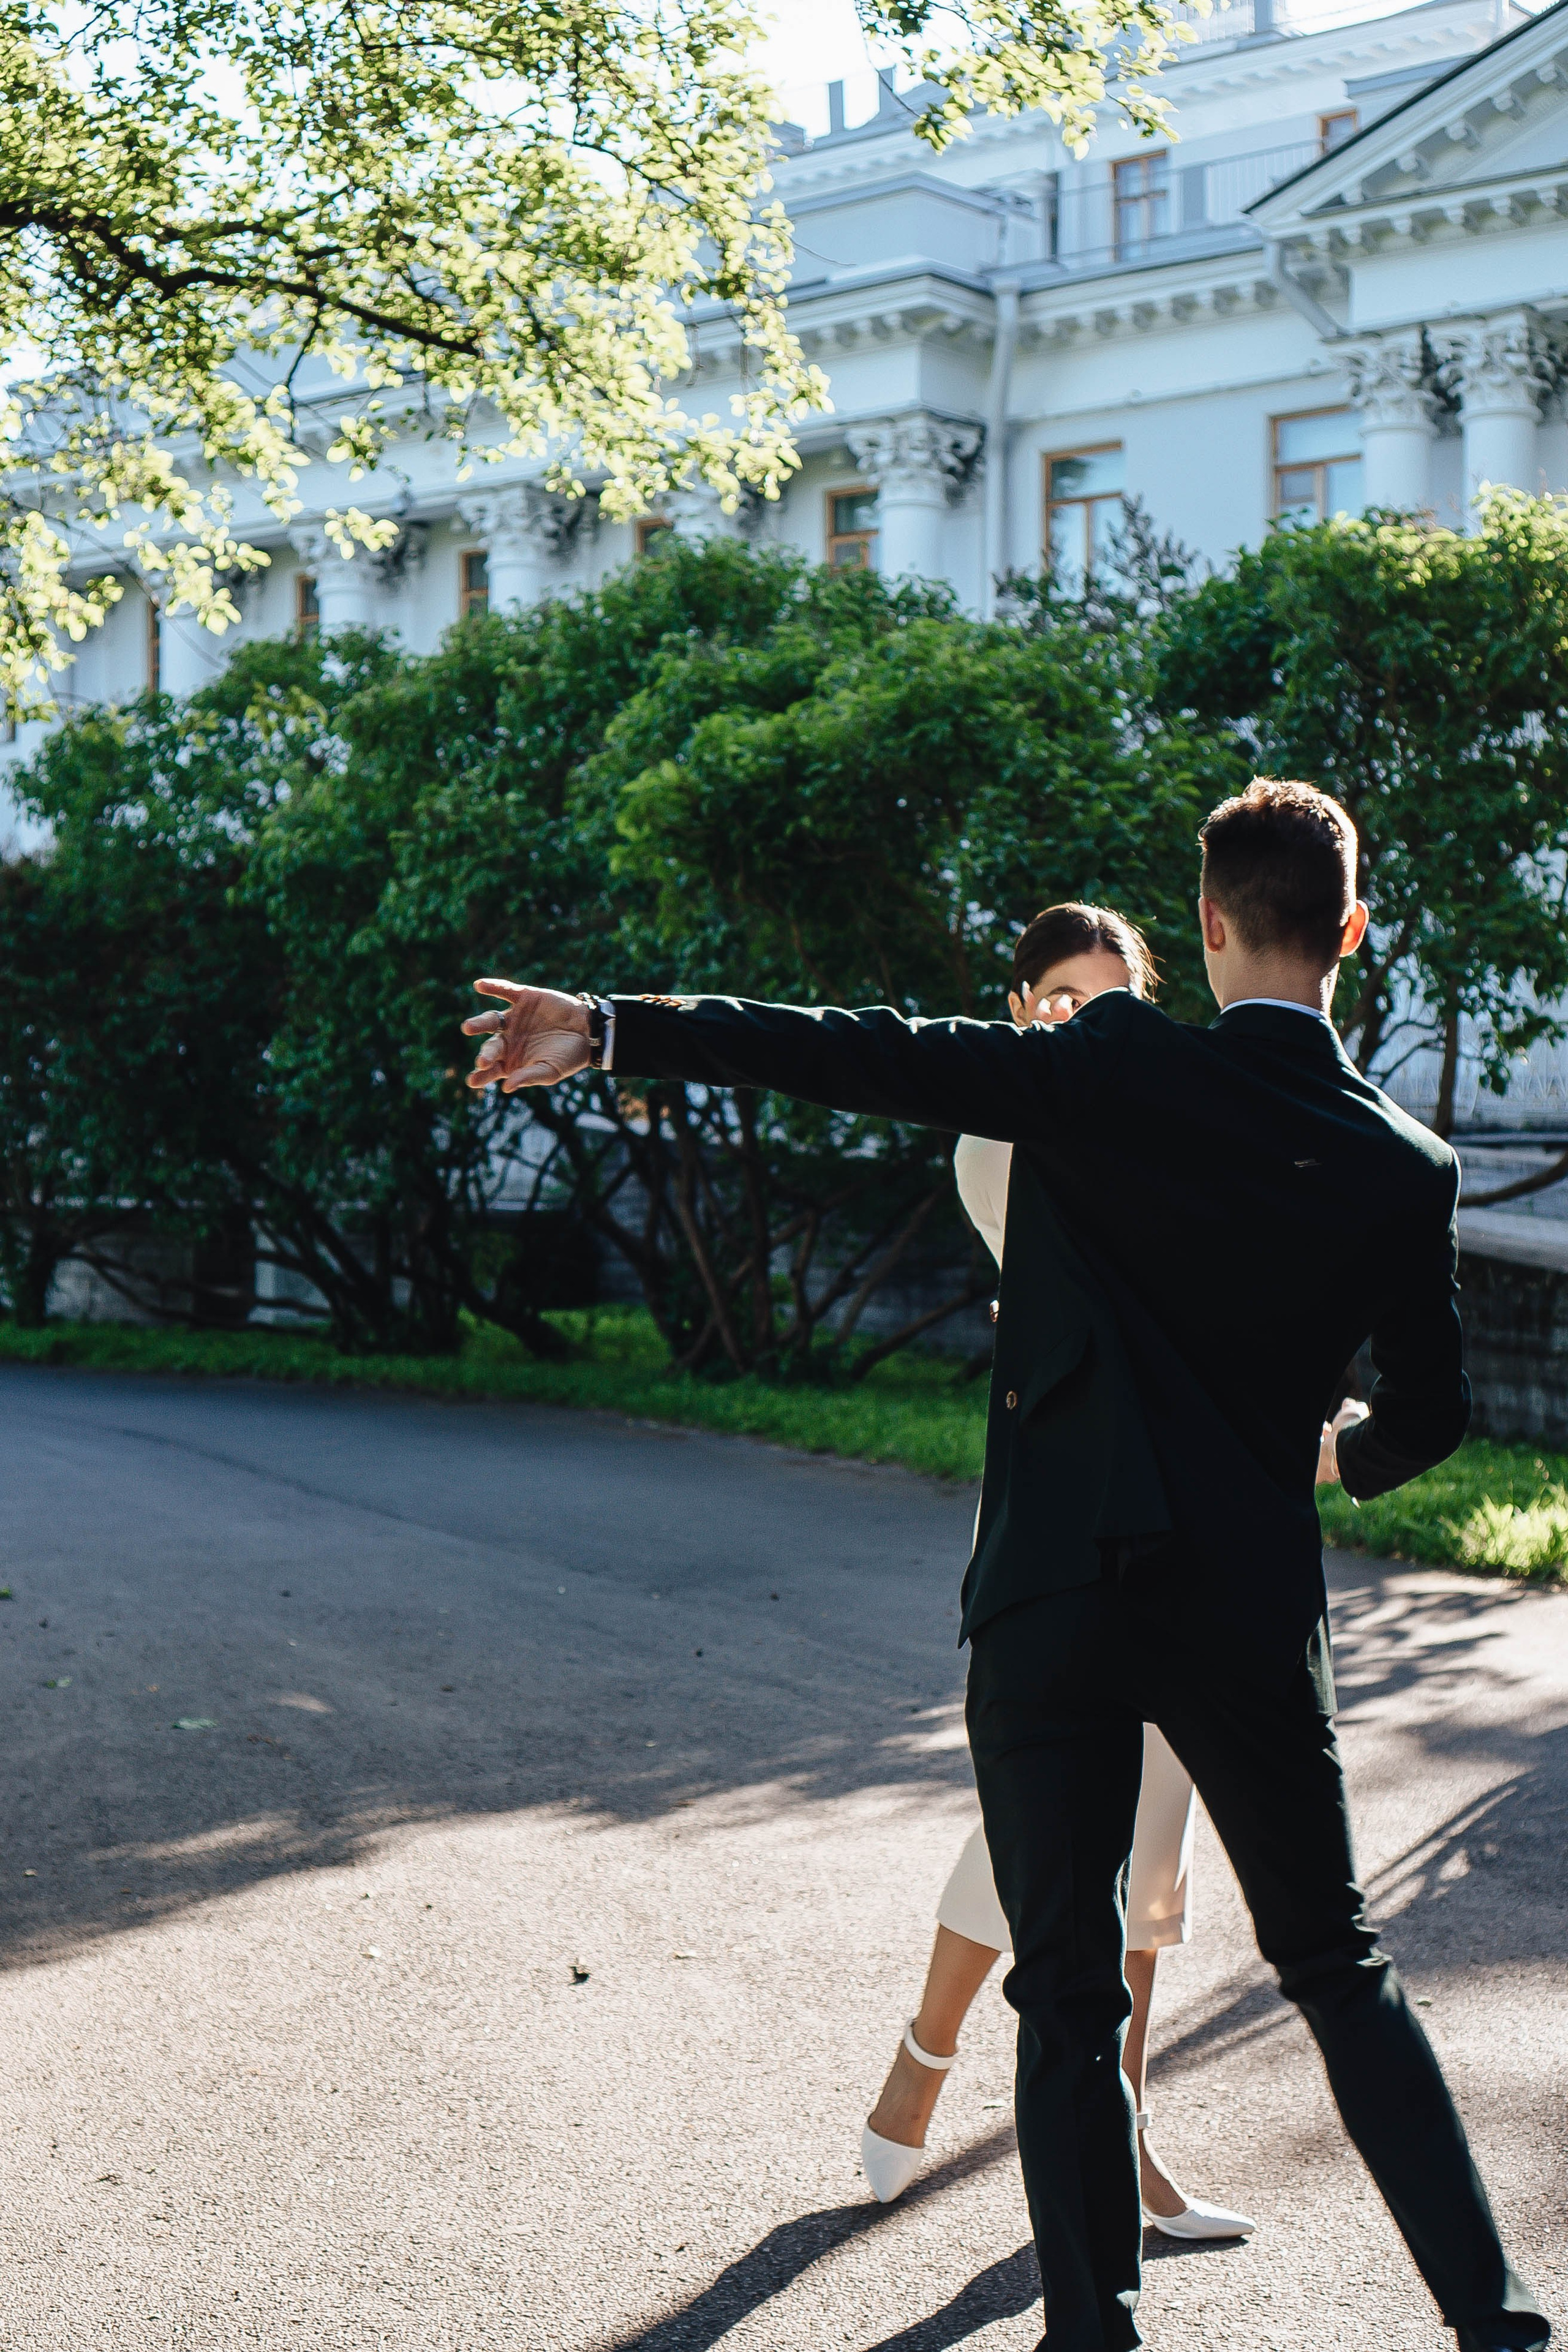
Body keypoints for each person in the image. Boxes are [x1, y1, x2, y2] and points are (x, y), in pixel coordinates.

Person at [462, 777, 1549, 2352]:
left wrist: (614, 1028)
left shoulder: (1106, 1066)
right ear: (1351, 933)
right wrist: (1332, 1457)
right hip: (1244, 1610)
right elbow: (1429, 1416)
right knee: (1334, 1962)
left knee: (1067, 1988)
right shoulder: (1402, 1161)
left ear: (1203, 925)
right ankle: (1499, 2330)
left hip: (1053, 1588)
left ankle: (1091, 2338)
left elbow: (871, 1052)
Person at [862, 902, 1254, 2246]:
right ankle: (924, 2060)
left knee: (1152, 1835)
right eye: (1060, 1001)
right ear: (1021, 1007)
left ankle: (1121, 2143)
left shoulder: (1171, 1122)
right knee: (1047, 1825)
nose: (1086, 1022)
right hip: (1064, 1522)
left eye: (1113, 1000)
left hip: (1184, 1523)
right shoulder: (1001, 1135)